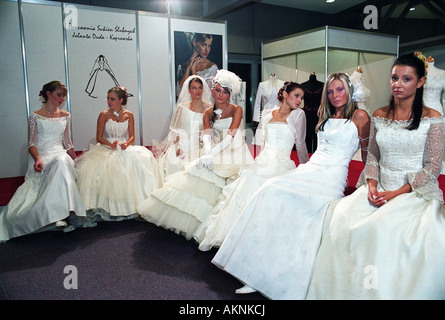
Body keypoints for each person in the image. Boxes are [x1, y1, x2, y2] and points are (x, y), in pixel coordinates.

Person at [211, 72, 370, 300]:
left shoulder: (361, 116)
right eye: (331, 91)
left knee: (300, 203)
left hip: (332, 175)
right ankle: (255, 271)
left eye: (340, 90)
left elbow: (368, 157)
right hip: (311, 168)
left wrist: (365, 187)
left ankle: (279, 275)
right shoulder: (324, 115)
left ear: (349, 91)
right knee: (270, 189)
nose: (335, 95)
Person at [307, 53, 445, 300]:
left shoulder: (433, 118)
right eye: (394, 78)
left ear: (420, 83)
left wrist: (395, 193)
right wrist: (371, 184)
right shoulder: (380, 114)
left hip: (413, 192)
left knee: (390, 229)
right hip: (379, 185)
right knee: (341, 215)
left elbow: (432, 167)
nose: (397, 84)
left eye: (406, 79)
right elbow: (372, 158)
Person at [137, 69, 254, 240]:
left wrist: (210, 154)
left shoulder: (237, 109)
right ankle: (183, 217)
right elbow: (206, 136)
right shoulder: (208, 112)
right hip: (216, 151)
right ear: (213, 91)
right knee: (196, 172)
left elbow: (230, 137)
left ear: (230, 95)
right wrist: (207, 153)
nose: (221, 94)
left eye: (225, 92)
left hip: (234, 152)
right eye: (218, 90)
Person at [193, 81, 309, 251]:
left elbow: (300, 145)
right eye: (296, 95)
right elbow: (260, 142)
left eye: (301, 97)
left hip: (282, 164)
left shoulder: (299, 115)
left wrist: (306, 169)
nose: (299, 101)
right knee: (245, 189)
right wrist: (256, 163)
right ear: (285, 94)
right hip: (263, 161)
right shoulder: (268, 114)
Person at [0, 81, 86, 242]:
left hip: (60, 154)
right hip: (44, 155)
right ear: (48, 94)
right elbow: (32, 143)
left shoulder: (66, 116)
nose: (61, 99)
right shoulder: (35, 116)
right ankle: (63, 213)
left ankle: (62, 212)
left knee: (62, 161)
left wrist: (77, 160)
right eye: (59, 95)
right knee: (61, 163)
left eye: (63, 96)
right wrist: (37, 158)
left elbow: (67, 143)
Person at [75, 86, 162, 224]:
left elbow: (132, 136)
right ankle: (112, 207)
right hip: (107, 147)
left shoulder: (129, 114)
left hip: (123, 146)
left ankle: (139, 204)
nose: (109, 101)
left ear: (121, 100)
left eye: (112, 99)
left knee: (143, 158)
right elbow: (99, 137)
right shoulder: (103, 114)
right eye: (108, 98)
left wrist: (126, 143)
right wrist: (111, 145)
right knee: (106, 168)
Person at [152, 75, 213, 181]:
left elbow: (210, 128)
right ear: (189, 90)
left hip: (199, 146)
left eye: (200, 87)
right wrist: (177, 147)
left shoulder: (209, 107)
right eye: (194, 88)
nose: (197, 91)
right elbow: (175, 130)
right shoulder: (182, 107)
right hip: (183, 145)